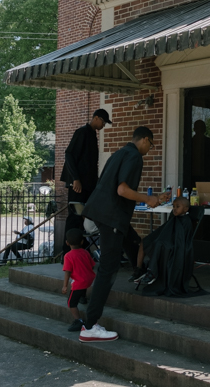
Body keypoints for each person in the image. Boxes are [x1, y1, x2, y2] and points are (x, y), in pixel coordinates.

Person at [79, 126, 169, 342]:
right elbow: (122, 190)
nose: (150, 149)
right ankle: (90, 325)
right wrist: (148, 199)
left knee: (134, 241)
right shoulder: (135, 157)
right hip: (112, 217)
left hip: (98, 210)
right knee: (108, 269)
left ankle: (140, 270)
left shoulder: (118, 153)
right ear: (145, 140)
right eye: (151, 145)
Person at [60, 109, 111, 257]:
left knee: (86, 218)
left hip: (89, 185)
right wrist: (75, 178)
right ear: (96, 118)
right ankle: (67, 253)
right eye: (103, 121)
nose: (103, 125)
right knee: (74, 218)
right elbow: (69, 154)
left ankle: (83, 250)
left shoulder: (92, 135)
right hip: (78, 185)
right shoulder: (82, 132)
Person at [128, 197, 190, 287]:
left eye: (178, 207)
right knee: (145, 242)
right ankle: (139, 269)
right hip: (165, 241)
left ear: (185, 209)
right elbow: (164, 230)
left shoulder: (186, 221)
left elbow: (180, 238)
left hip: (174, 245)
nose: (174, 209)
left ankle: (152, 272)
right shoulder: (173, 217)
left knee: (158, 244)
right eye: (173, 206)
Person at [62, 228, 96, 332]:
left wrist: (65, 286)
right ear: (82, 241)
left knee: (71, 303)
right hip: (89, 279)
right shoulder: (85, 252)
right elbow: (92, 265)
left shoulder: (68, 256)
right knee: (82, 288)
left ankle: (78, 321)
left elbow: (67, 272)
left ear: (67, 243)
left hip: (79, 282)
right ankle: (83, 296)